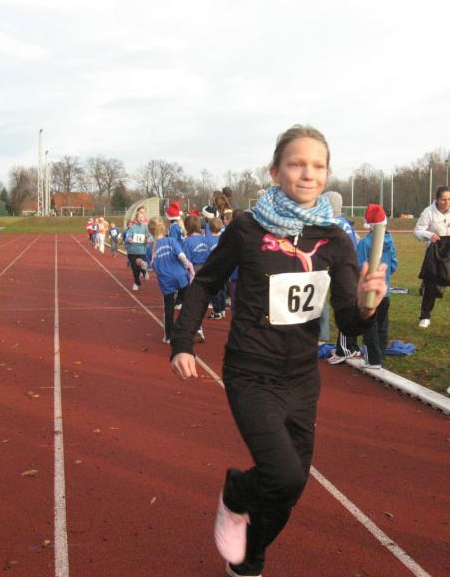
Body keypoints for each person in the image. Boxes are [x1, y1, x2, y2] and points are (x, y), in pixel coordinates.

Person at [170, 125, 387, 577]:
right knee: (282, 475)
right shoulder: (248, 228)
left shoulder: (335, 239)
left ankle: (250, 558)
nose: (308, 174)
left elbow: (349, 321)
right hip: (251, 372)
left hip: (302, 378)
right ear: (275, 171)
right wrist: (183, 342)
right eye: (297, 164)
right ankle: (236, 494)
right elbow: (205, 283)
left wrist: (369, 304)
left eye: (318, 166)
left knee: (290, 488)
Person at [356, 204, 398, 370]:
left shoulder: (364, 243)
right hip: (385, 290)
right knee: (382, 325)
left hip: (370, 292)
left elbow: (361, 266)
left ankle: (373, 359)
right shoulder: (390, 241)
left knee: (369, 325)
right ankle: (381, 354)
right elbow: (393, 264)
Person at [414, 186, 450, 328]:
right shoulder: (428, 212)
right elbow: (417, 231)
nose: (447, 202)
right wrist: (429, 235)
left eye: (449, 199)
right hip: (436, 252)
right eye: (443, 200)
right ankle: (425, 316)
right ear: (437, 199)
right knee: (431, 284)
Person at [321, 190, 358, 349]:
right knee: (346, 302)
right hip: (348, 266)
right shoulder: (346, 222)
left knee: (320, 300)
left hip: (331, 266)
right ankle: (349, 344)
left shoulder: (329, 222)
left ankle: (323, 336)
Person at [152, 218, 195, 344]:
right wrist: (187, 265)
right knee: (188, 303)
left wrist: (143, 264)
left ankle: (169, 336)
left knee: (169, 308)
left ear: (151, 232)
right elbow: (181, 255)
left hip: (166, 281)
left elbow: (152, 266)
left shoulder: (151, 248)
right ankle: (191, 329)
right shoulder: (171, 241)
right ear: (165, 229)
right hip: (180, 276)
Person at [124, 211, 154, 291]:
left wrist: (149, 240)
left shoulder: (146, 228)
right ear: (136, 218)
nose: (141, 218)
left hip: (142, 251)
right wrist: (129, 239)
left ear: (144, 218)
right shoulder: (132, 227)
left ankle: (144, 272)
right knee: (135, 269)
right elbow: (127, 237)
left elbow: (151, 238)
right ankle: (137, 282)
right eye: (139, 217)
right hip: (132, 251)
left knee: (141, 265)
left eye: (142, 217)